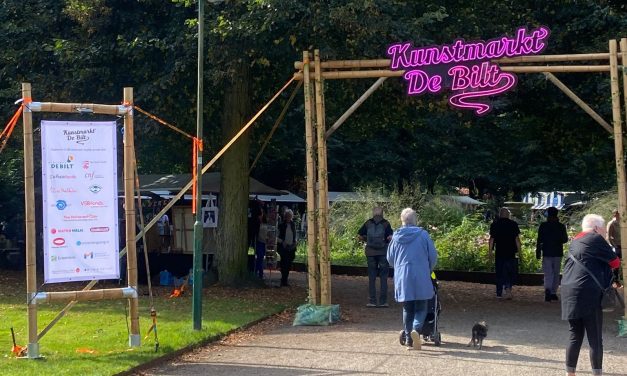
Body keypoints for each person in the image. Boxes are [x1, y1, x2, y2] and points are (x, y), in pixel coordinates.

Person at [561, 214, 620, 376]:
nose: (605, 234)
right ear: (596, 228)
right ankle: (597, 374)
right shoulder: (596, 238)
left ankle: (570, 373)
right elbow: (615, 262)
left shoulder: (575, 241)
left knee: (575, 334)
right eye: (603, 230)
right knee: (594, 337)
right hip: (588, 292)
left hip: (569, 291)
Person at [387, 208, 437, 350]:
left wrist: (399, 265)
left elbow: (389, 259)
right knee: (421, 307)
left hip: (403, 276)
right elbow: (433, 256)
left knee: (408, 308)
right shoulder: (423, 235)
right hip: (421, 275)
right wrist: (429, 269)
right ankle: (416, 329)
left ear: (402, 220)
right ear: (415, 220)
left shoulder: (396, 236)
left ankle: (409, 339)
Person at [358, 207, 393, 307]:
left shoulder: (368, 223)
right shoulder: (386, 223)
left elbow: (359, 235)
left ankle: (372, 301)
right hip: (383, 253)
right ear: (382, 214)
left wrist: (366, 240)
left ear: (373, 213)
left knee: (372, 278)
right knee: (383, 277)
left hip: (370, 253)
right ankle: (383, 301)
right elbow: (390, 237)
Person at [536, 206, 569, 302]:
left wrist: (538, 251)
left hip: (546, 251)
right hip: (557, 252)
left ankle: (548, 289)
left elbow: (539, 240)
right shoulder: (561, 226)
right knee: (556, 272)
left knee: (548, 273)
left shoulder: (543, 225)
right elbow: (565, 239)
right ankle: (553, 292)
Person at [489, 208, 522, 299]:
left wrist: (490, 252)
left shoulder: (495, 225)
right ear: (508, 215)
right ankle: (508, 288)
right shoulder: (513, 224)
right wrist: (520, 252)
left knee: (499, 272)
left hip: (499, 252)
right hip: (511, 252)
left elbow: (491, 240)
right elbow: (517, 240)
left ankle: (499, 292)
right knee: (509, 271)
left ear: (500, 214)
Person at [277, 209, 297, 287]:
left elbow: (295, 235)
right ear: (285, 217)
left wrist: (295, 242)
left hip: (291, 247)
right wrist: (282, 242)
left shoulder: (293, 225)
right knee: (284, 264)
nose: (289, 218)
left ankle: (285, 279)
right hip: (284, 247)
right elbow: (277, 237)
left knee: (289, 264)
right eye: (287, 216)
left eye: (290, 216)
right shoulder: (281, 225)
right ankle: (283, 280)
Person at [606, 209, 623, 285]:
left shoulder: (622, 222)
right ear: (614, 214)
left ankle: (621, 278)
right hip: (617, 245)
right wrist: (614, 246)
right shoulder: (612, 223)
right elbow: (609, 237)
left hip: (623, 245)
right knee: (617, 263)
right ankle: (615, 280)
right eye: (617, 214)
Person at [254, 212, 268, 279]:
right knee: (260, 258)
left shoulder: (262, 226)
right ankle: (259, 272)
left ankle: (258, 272)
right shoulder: (260, 225)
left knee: (260, 258)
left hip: (261, 242)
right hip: (261, 242)